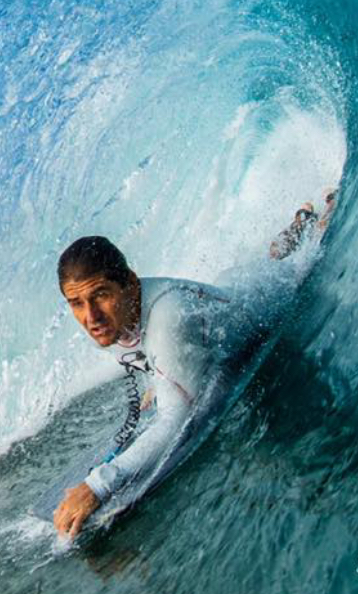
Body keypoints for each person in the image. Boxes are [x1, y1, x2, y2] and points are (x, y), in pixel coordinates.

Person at [52, 195, 335, 539]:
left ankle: (322, 216)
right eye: (76, 303)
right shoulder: (115, 314)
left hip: (268, 294)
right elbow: (146, 344)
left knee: (294, 261)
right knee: (271, 256)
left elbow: (175, 420)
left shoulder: (169, 319)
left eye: (100, 295)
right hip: (230, 289)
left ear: (129, 282)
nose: (90, 316)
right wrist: (163, 377)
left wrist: (98, 486)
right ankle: (300, 219)